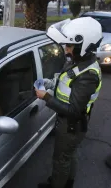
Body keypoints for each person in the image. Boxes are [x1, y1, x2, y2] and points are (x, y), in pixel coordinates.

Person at [35, 17, 103, 188]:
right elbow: (67, 82)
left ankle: (57, 185)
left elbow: (73, 110)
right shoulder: (80, 62)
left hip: (71, 125)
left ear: (83, 45)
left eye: (70, 46)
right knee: (69, 155)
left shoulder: (88, 75)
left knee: (60, 159)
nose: (66, 49)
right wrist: (50, 83)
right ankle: (68, 182)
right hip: (72, 124)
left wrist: (45, 97)